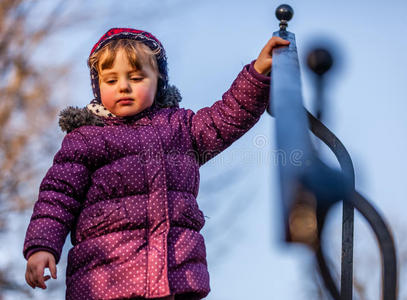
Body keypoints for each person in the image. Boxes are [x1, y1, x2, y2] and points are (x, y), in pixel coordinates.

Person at [23, 28, 289, 300]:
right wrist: (42, 246)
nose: (123, 87)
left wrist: (257, 73)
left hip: (175, 271)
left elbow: (224, 119)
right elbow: (57, 197)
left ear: (158, 80)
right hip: (106, 276)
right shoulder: (87, 139)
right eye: (111, 80)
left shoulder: (181, 128)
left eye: (136, 78)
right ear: (97, 85)